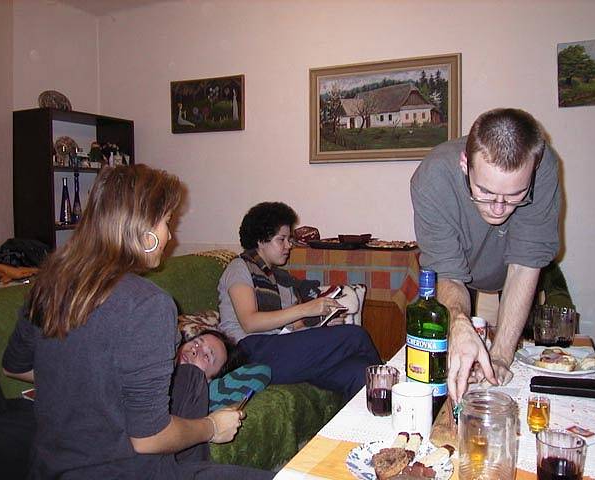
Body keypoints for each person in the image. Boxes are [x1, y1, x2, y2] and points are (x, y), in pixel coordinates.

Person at [2, 164, 273, 479]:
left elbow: (14, 367)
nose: (170, 235)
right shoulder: (148, 304)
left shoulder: (49, 283)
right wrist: (212, 426)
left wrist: (89, 388)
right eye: (167, 222)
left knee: (189, 380)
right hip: (123, 473)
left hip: (47, 469)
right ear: (144, 231)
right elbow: (149, 438)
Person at [410, 108, 561, 402]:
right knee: (456, 349)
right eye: (485, 192)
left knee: (512, 367)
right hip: (460, 267)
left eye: (515, 195)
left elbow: (525, 265)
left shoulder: (544, 166)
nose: (499, 208)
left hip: (512, 267)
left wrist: (501, 356)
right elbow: (449, 275)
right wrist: (458, 322)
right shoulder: (433, 178)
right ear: (465, 163)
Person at [217, 201, 381, 400]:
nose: (289, 245)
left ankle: (376, 413)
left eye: (289, 239)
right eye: (281, 239)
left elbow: (289, 326)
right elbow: (250, 322)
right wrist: (306, 309)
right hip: (249, 353)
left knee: (359, 373)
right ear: (260, 240)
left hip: (281, 350)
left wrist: (321, 322)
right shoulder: (239, 268)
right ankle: (390, 392)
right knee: (355, 336)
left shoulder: (280, 279)